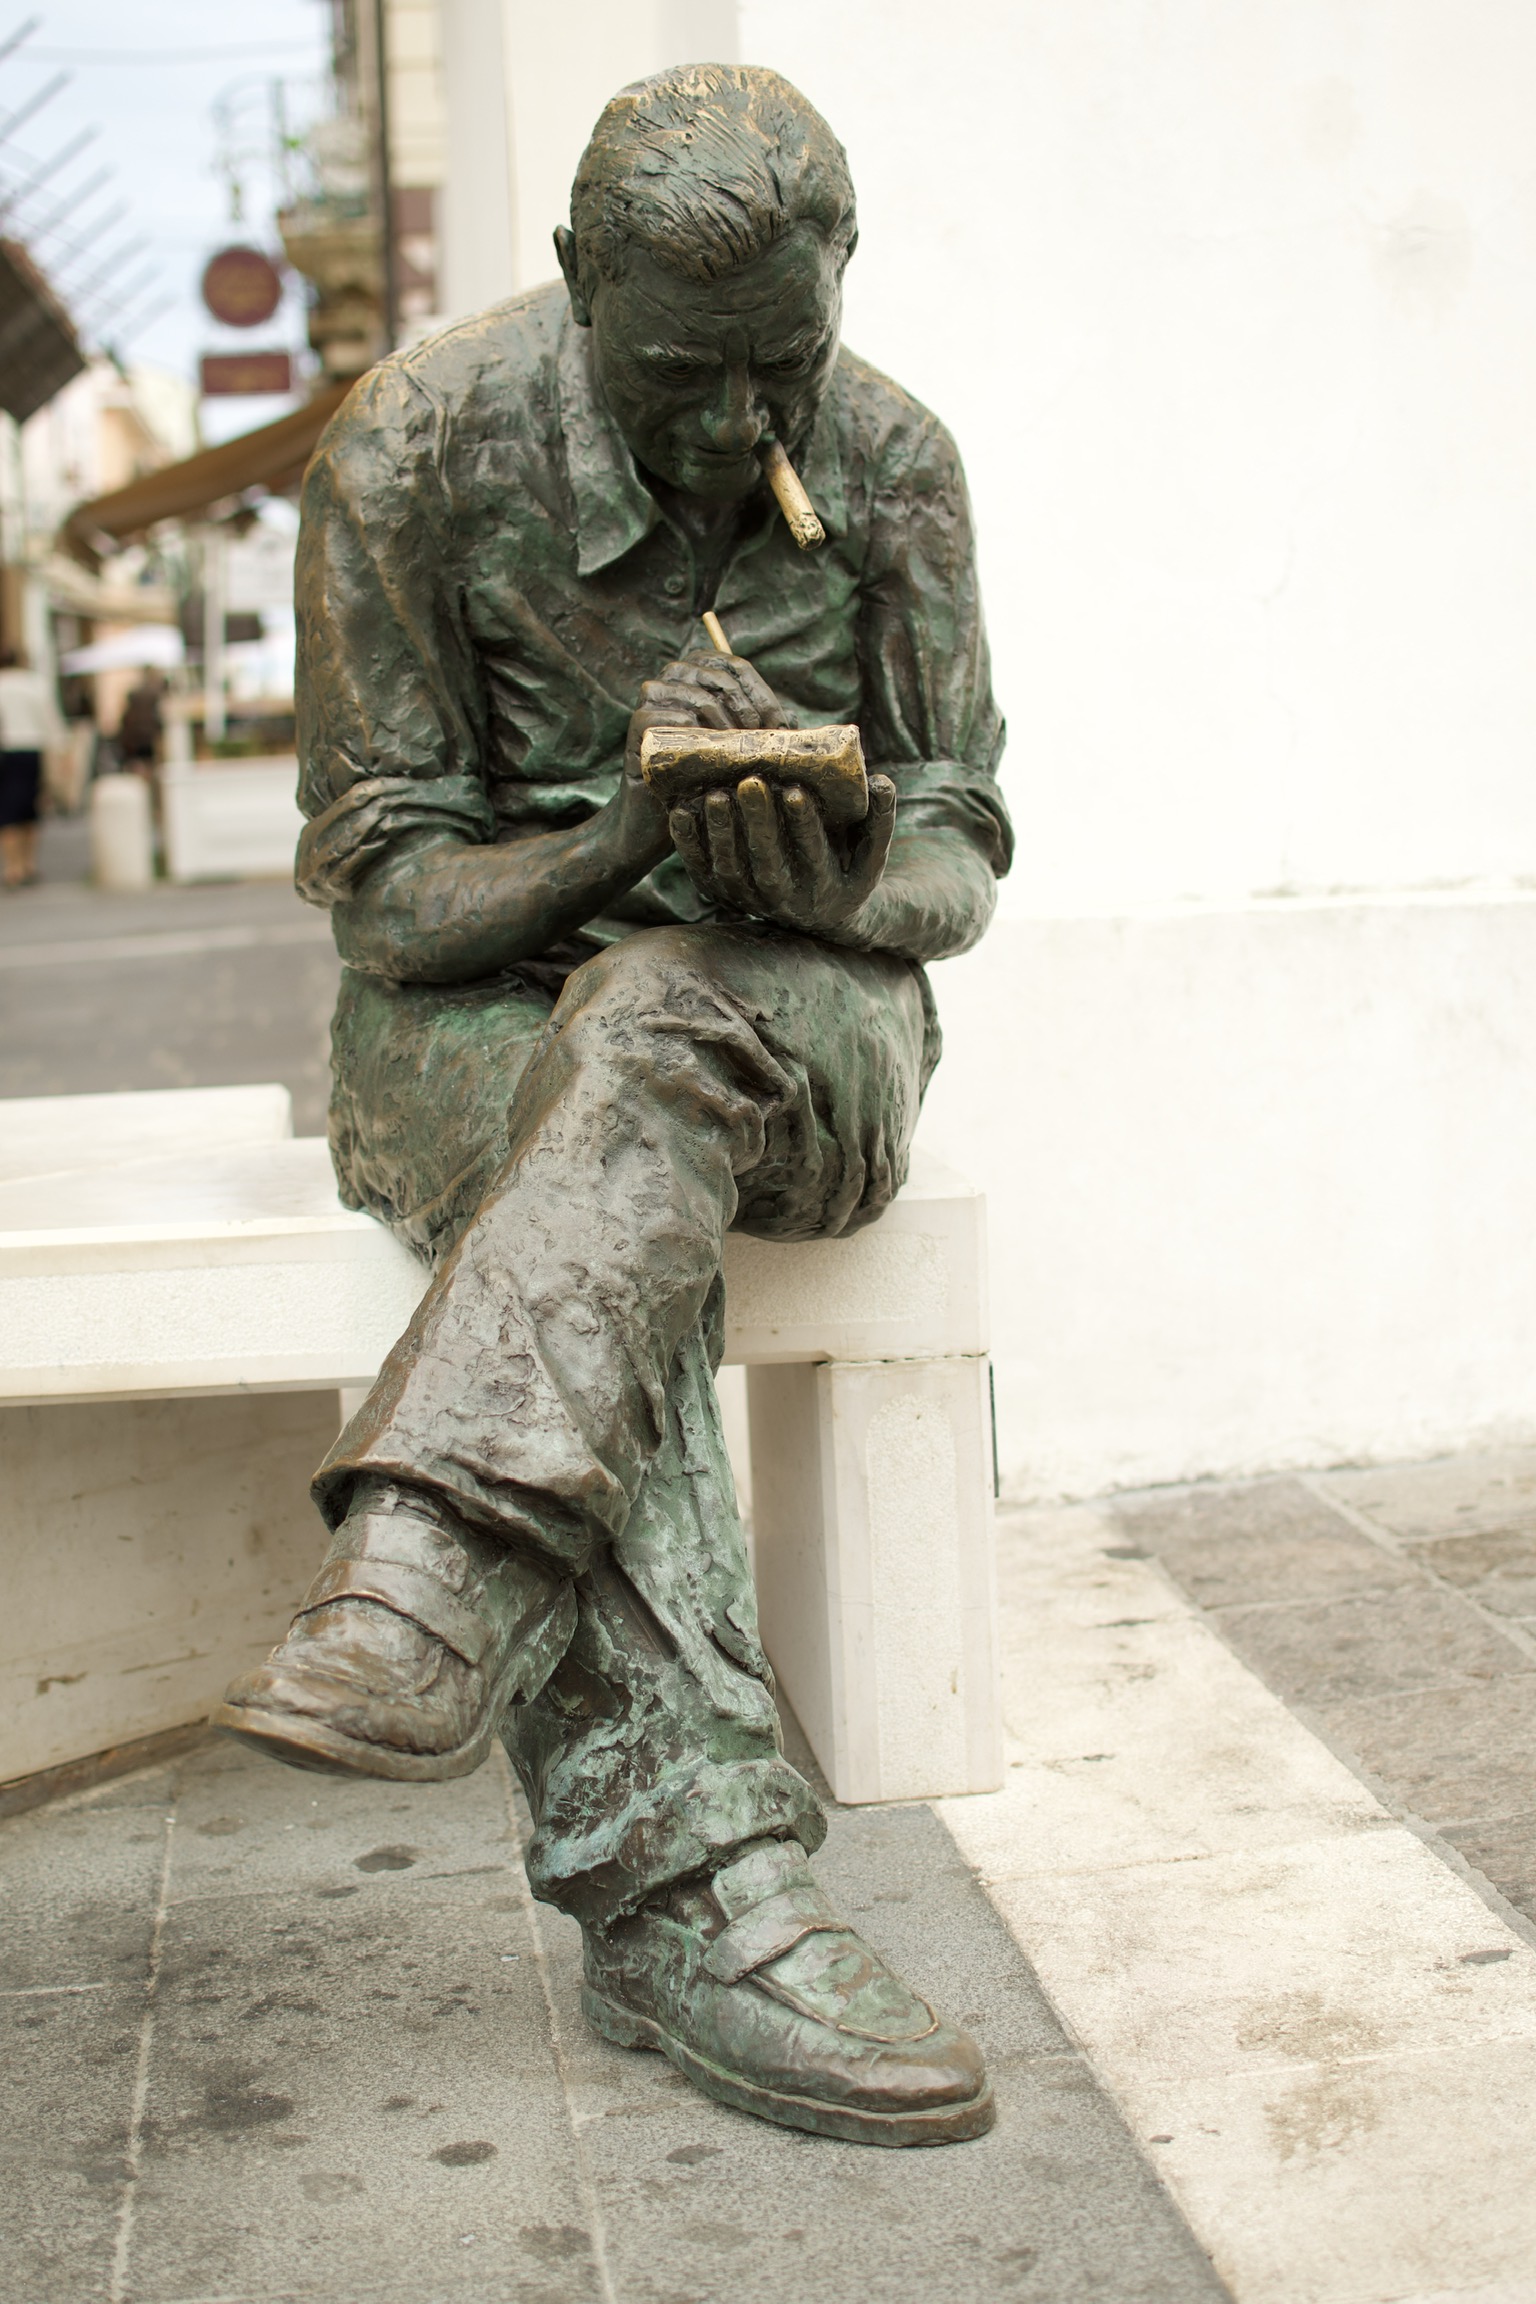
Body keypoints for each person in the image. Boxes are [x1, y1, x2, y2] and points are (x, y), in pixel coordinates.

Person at [217, 64, 1011, 2148]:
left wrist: (830, 866)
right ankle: (707, 1896)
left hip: (800, 1020)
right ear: (577, 282)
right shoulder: (412, 447)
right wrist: (616, 834)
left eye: (784, 368)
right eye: (682, 373)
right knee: (606, 1151)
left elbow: (965, 852)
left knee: (655, 1034)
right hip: (465, 1029)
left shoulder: (898, 462)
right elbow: (393, 909)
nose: (744, 429)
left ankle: (423, 1570)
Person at [0, 645, 65, 888]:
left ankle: (12, 868)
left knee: (6, 810)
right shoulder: (35, 684)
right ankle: (28, 864)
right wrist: (61, 754)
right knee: (30, 809)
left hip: (5, 751)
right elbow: (51, 722)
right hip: (32, 749)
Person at [116, 668, 164, 772]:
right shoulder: (153, 694)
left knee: (138, 764)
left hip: (135, 738)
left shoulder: (135, 695)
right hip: (148, 736)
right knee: (149, 764)